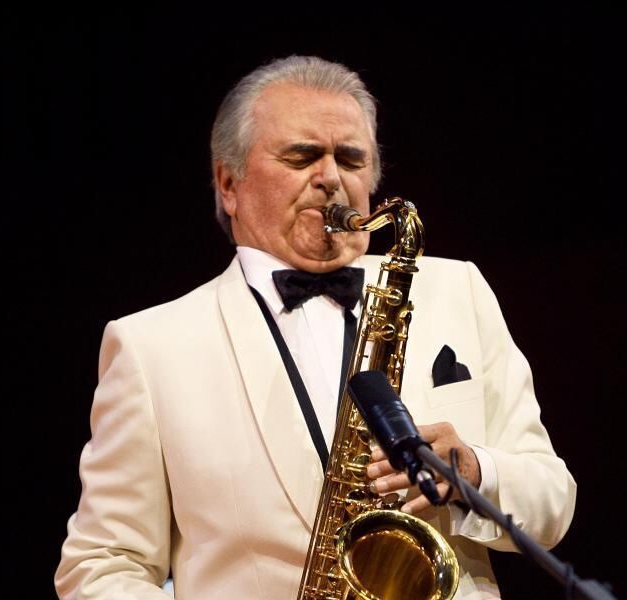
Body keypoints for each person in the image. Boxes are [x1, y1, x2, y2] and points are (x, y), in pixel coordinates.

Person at [55, 55, 576, 599]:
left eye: (350, 159)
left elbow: (553, 499)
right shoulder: (151, 346)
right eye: (302, 156)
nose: (331, 178)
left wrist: (474, 471)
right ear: (229, 183)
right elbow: (101, 566)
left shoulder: (457, 289)